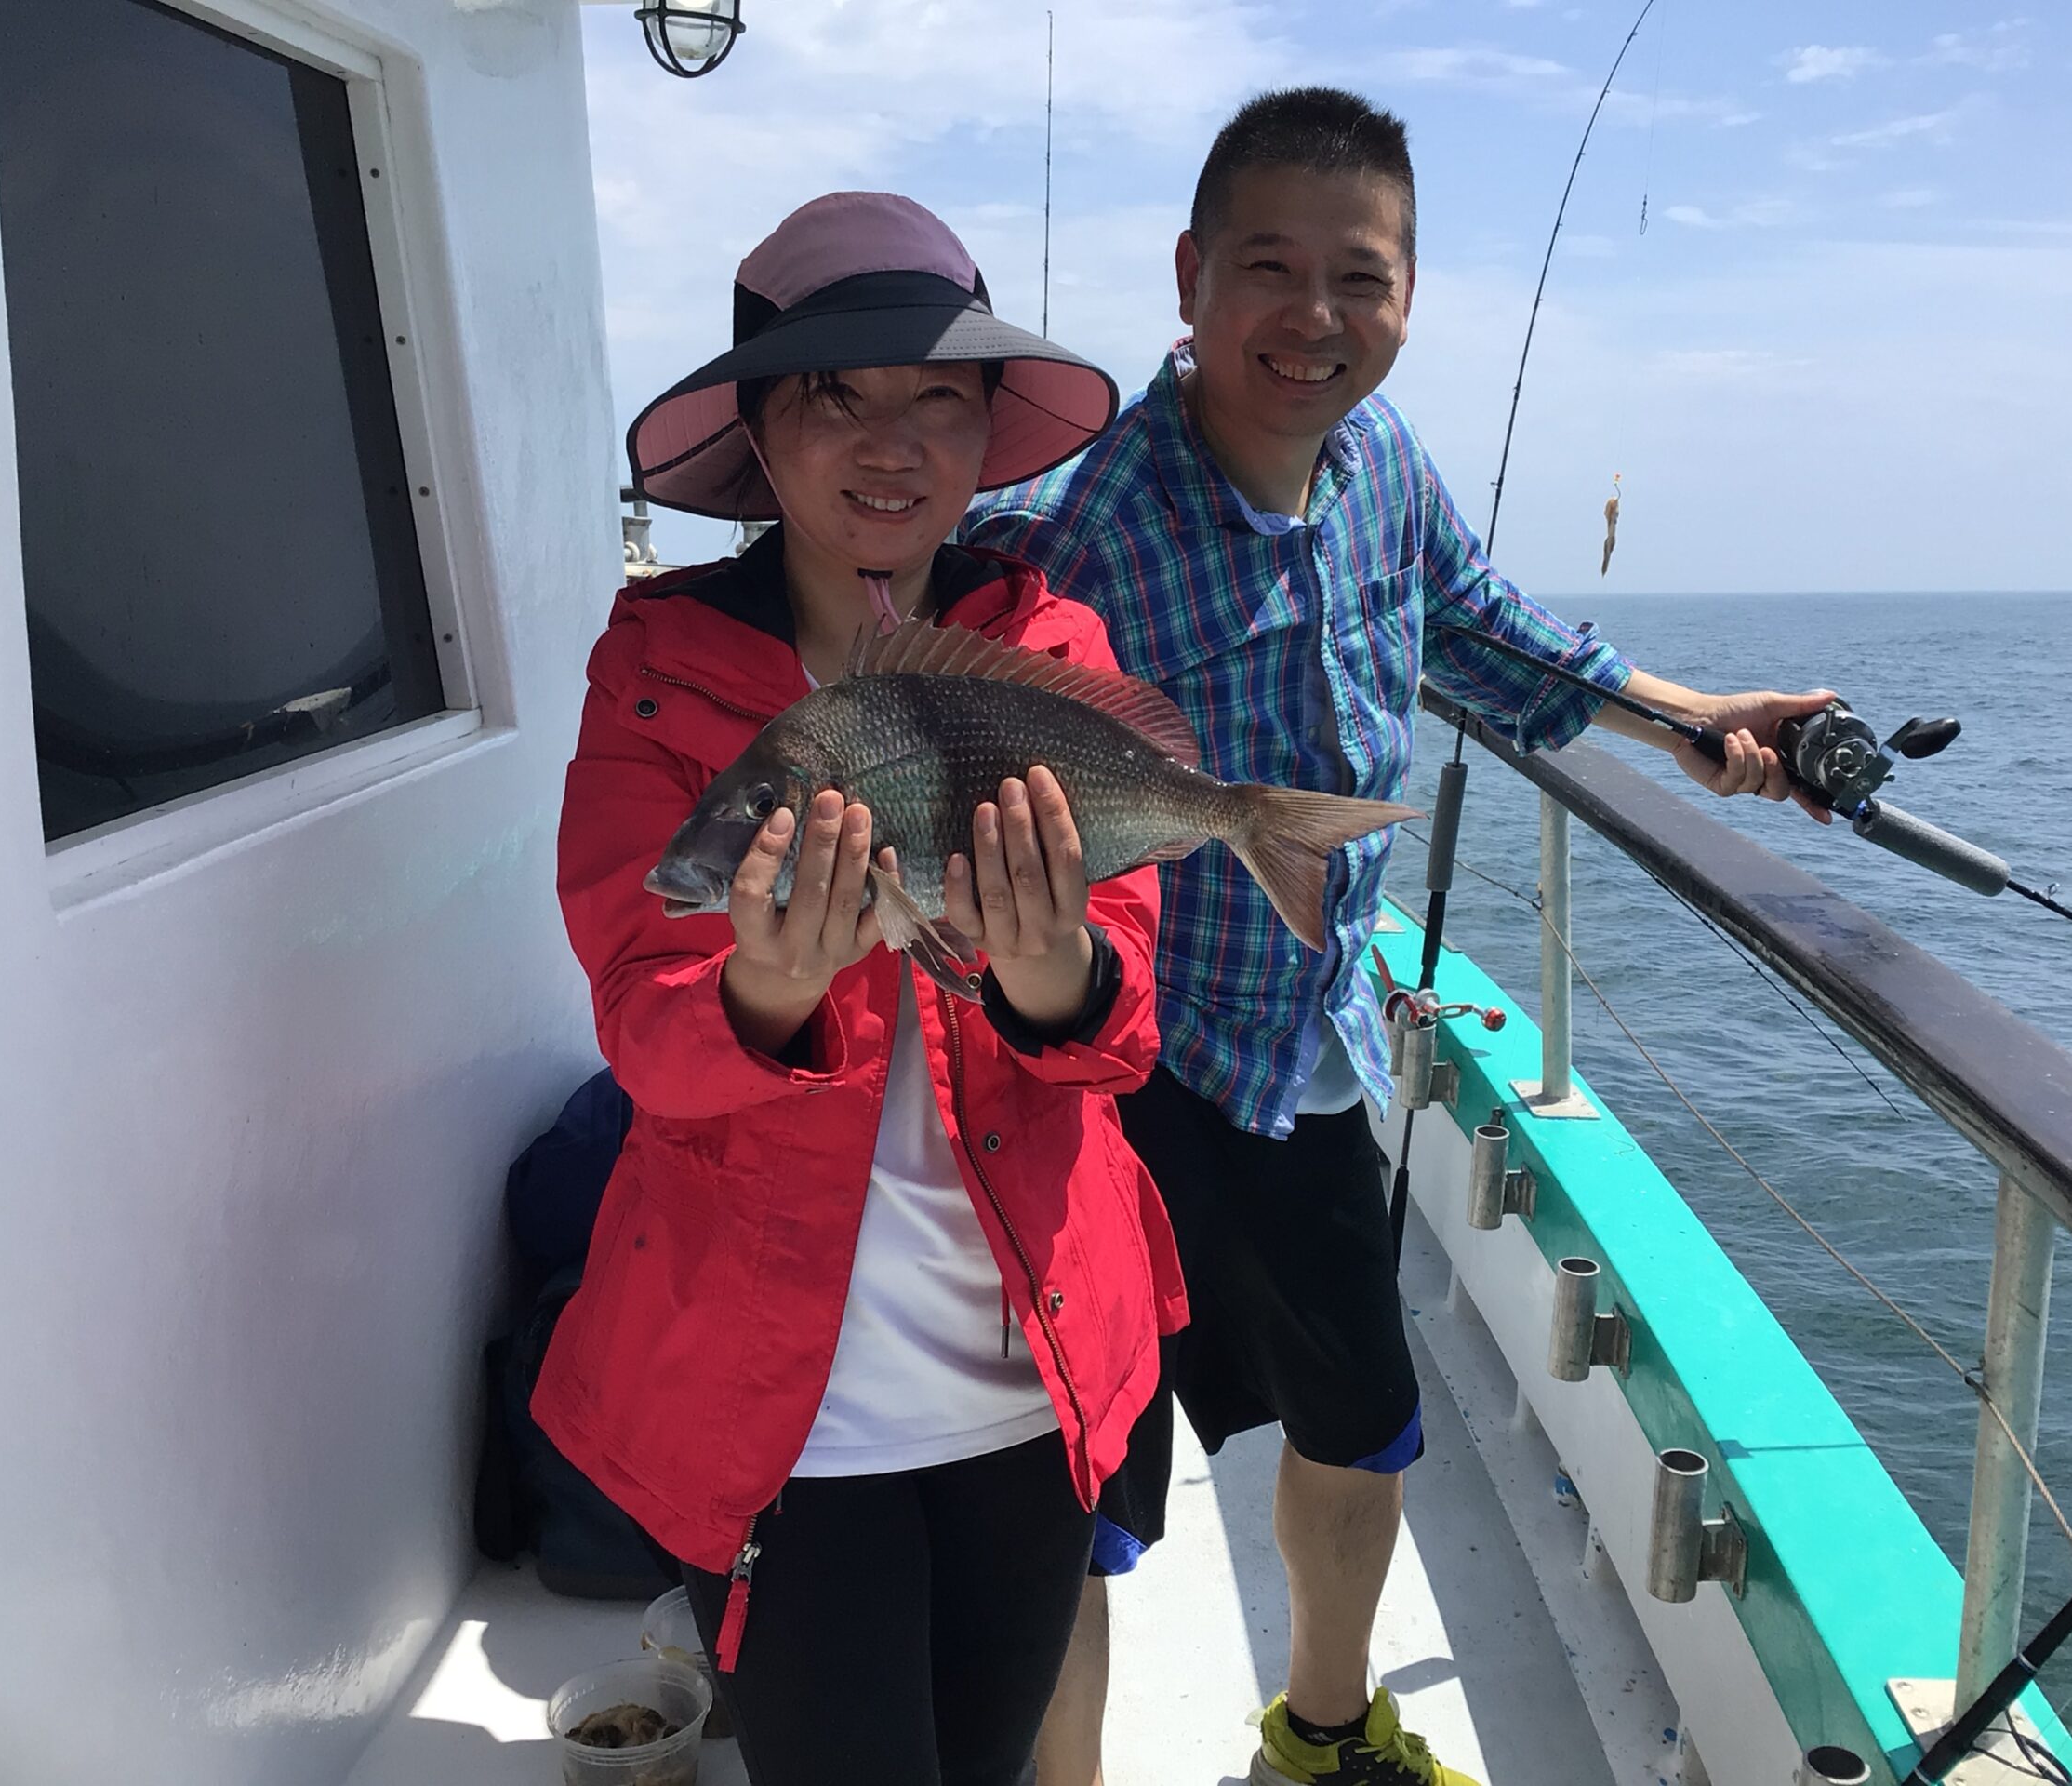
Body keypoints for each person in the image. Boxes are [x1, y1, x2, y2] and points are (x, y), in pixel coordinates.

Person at [963, 88, 1840, 1786]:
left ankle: (1321, 1736)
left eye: (1357, 276)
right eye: (1268, 267)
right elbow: (950, 708)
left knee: (1362, 1429)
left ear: (1410, 299)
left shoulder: (1388, 471)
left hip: (1305, 1058)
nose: (1314, 317)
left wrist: (1695, 722)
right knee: (1078, 1499)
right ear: (1190, 278)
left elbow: (1499, 641)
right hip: (1105, 1069)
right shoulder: (1081, 528)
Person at [533, 191, 1189, 1786]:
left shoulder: (1051, 642)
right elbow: (644, 1025)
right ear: (758, 428)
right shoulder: (658, 675)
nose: (891, 444)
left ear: (984, 433)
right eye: (835, 395)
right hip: (777, 1417)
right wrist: (764, 988)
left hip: (1031, 1380)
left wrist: (1051, 968)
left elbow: (1122, 1022)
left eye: (935, 398)